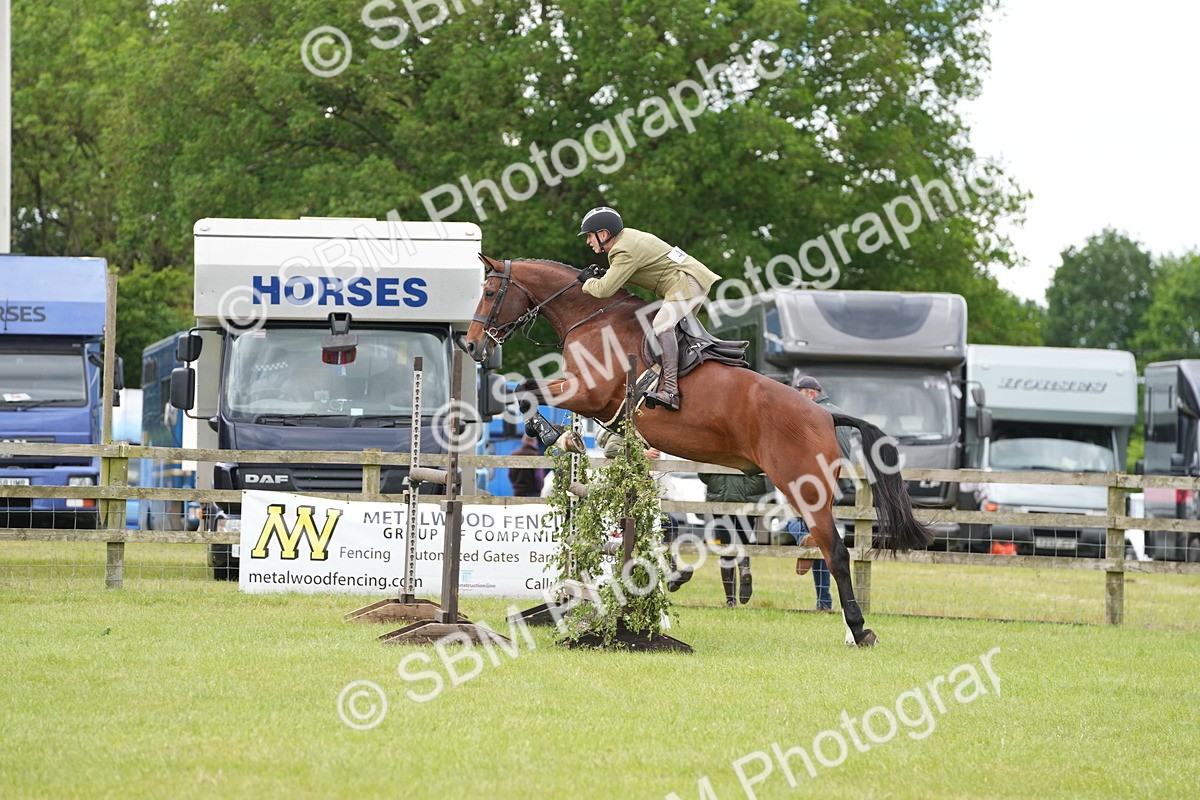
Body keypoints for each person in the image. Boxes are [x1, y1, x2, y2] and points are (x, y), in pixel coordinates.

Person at [576, 207, 721, 412]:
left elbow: (604, 290)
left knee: (662, 325)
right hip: (689, 278)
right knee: (672, 333)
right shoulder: (627, 239)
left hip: (685, 282)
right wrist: (606, 273)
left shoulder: (622, 250)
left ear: (603, 234)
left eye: (590, 236)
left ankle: (670, 391)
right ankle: (681, 382)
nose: (588, 241)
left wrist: (587, 282)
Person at [787, 375, 856, 612]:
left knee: (792, 523)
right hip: (837, 480)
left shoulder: (813, 415)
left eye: (798, 392)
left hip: (818, 480)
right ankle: (824, 602)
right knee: (823, 541)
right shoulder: (836, 411)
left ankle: (803, 538)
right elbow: (847, 450)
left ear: (810, 393)